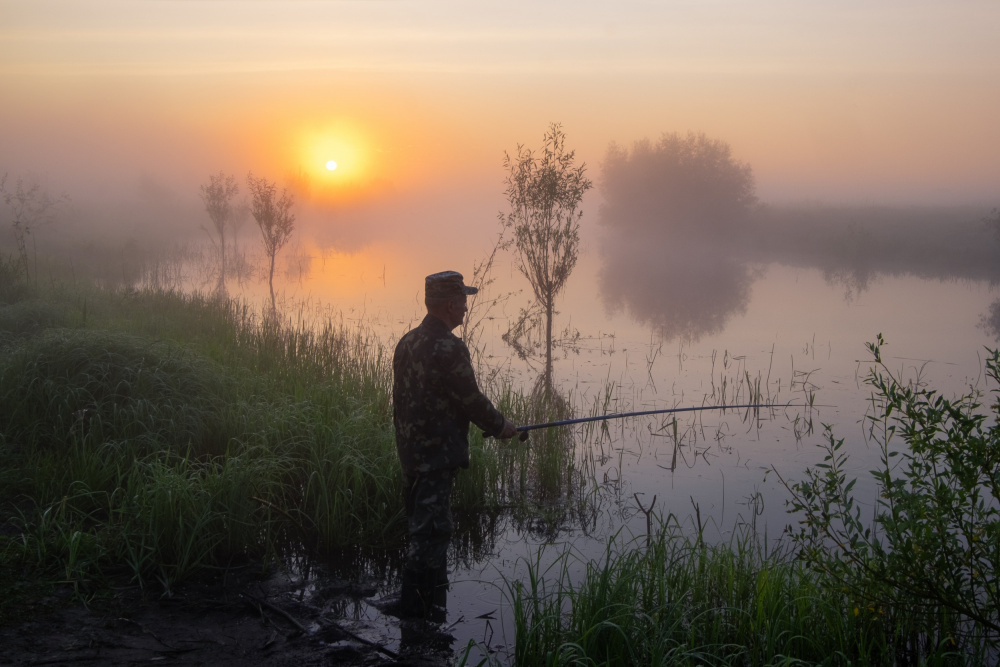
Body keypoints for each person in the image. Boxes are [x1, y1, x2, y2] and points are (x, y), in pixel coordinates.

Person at [389, 270, 517, 619]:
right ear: (448, 304)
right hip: (436, 458)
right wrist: (501, 426)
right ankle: (415, 614)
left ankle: (431, 609)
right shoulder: (450, 347)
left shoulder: (407, 342)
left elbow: (400, 402)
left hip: (411, 454)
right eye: (462, 301)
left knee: (422, 524)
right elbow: (471, 400)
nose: (465, 307)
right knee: (431, 532)